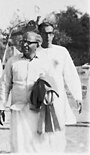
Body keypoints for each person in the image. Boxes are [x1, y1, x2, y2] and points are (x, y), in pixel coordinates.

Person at [0, 31, 50, 153]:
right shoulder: (12, 61)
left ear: (37, 44)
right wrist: (1, 108)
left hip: (38, 111)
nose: (24, 45)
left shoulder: (45, 61)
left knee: (38, 145)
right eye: (23, 42)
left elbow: (51, 85)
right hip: (18, 109)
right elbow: (5, 85)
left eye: (28, 42)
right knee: (18, 144)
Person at [37, 22, 82, 151]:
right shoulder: (35, 52)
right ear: (40, 34)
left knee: (58, 131)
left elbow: (70, 74)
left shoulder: (61, 51)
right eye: (45, 33)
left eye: (51, 33)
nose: (48, 36)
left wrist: (77, 96)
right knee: (40, 133)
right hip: (39, 97)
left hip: (58, 98)